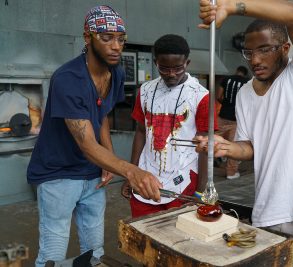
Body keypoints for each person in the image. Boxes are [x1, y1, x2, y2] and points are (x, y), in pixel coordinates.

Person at [196, 0, 293, 266]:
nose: (255, 60)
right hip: (267, 214)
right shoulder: (245, 93)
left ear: (285, 48)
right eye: (248, 52)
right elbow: (250, 147)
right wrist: (226, 146)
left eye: (264, 50)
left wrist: (231, 6)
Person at [27, 6, 161, 267]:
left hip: (92, 174)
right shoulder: (68, 79)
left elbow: (103, 113)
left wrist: (107, 160)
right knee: (53, 257)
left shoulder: (116, 73)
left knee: (95, 253)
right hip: (58, 174)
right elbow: (87, 144)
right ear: (87, 37)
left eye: (120, 39)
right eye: (106, 37)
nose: (116, 46)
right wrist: (131, 171)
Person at [120, 34, 217, 218]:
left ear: (187, 63)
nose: (171, 74)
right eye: (164, 68)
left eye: (178, 68)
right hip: (146, 179)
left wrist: (200, 191)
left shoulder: (201, 96)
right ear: (156, 62)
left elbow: (205, 146)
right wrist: (131, 174)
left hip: (184, 183)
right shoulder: (145, 91)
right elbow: (140, 132)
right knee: (143, 237)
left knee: (178, 238)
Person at [216, 66, 249, 179]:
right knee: (233, 146)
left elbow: (218, 96)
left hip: (222, 116)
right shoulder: (247, 83)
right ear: (244, 74)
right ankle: (231, 173)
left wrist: (226, 104)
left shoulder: (226, 79)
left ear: (237, 71)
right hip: (236, 119)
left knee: (211, 141)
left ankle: (201, 168)